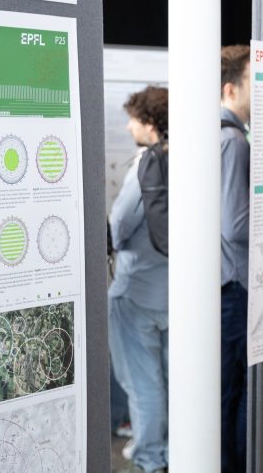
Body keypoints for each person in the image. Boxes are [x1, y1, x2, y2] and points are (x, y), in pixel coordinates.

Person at [108, 86, 169, 473]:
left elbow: (120, 222)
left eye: (133, 120)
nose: (129, 127)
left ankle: (150, 457)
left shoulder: (146, 164)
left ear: (148, 123)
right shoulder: (190, 157)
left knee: (143, 383)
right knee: (174, 380)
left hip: (135, 292)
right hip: (174, 294)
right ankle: (177, 453)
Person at [220, 44, 251, 472]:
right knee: (234, 392)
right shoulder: (232, 140)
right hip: (234, 286)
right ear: (231, 89)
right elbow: (235, 225)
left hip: (222, 284)